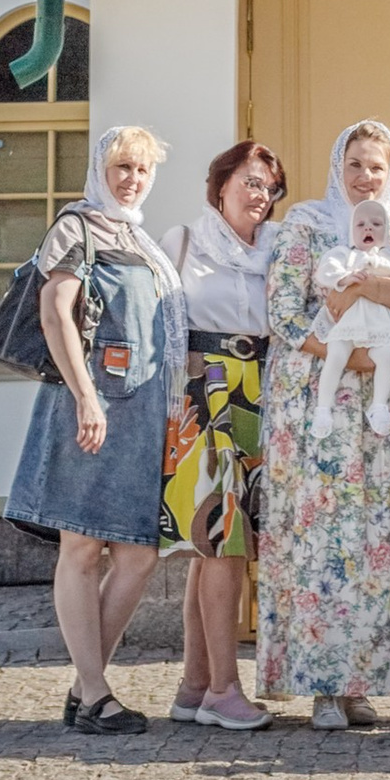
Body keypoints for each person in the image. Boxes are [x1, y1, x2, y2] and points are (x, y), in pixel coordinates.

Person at [257, 120, 390, 728]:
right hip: (319, 400)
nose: (367, 176)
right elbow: (285, 313)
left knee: (376, 540)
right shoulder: (305, 225)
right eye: (357, 164)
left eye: (378, 167)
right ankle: (320, 684)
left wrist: (366, 288)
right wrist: (355, 339)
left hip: (382, 407)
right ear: (339, 165)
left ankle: (361, 682)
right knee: (320, 537)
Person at [4, 121, 184, 738]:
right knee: (81, 548)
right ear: (100, 174)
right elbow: (56, 314)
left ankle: (86, 686)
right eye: (121, 170)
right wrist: (85, 396)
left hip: (139, 414)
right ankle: (98, 694)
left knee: (137, 553)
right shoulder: (76, 227)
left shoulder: (140, 240)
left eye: (142, 170)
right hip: (91, 408)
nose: (132, 181)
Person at [163, 137, 286, 733]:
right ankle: (223, 689)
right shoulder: (184, 243)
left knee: (217, 552)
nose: (261, 196)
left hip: (262, 392)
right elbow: (162, 332)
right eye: (251, 182)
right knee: (222, 541)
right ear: (220, 186)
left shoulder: (277, 251)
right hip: (204, 391)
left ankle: (192, 686)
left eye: (270, 187)